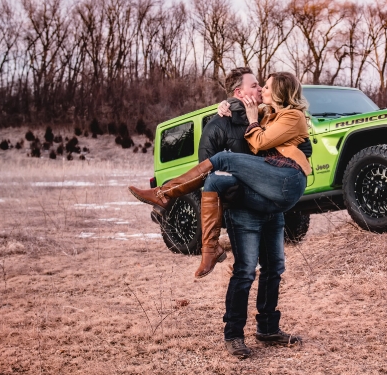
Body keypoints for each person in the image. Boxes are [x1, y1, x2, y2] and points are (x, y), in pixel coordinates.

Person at [128, 70, 310, 357]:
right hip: (243, 208)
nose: (261, 89)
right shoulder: (219, 124)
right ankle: (234, 333)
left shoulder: (264, 115)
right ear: (239, 92)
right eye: (255, 85)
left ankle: (268, 328)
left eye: (263, 86)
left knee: (274, 268)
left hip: (270, 207)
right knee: (245, 272)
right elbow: (207, 169)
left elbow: (281, 131)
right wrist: (231, 197)